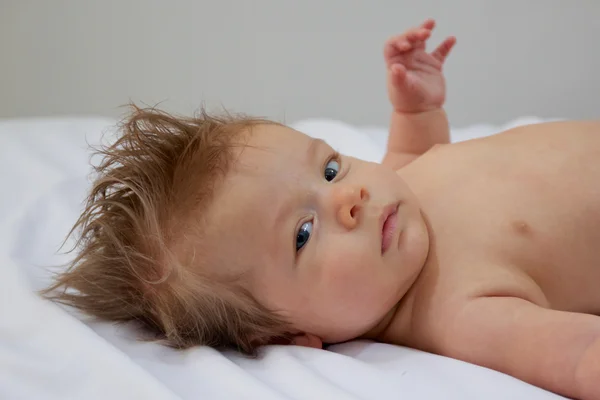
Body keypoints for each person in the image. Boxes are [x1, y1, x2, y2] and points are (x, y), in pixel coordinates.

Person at [45, 19, 600, 399]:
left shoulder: (393, 192)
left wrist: (417, 107)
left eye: (330, 168)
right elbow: (577, 358)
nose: (349, 198)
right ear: (289, 337)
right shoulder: (458, 313)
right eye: (303, 234)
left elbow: (411, 154)